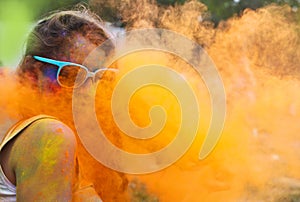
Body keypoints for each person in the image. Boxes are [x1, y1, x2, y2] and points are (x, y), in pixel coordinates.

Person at [0, 6, 121, 201]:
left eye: (102, 78)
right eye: (73, 74)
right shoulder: (50, 135)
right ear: (33, 72)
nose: (89, 91)